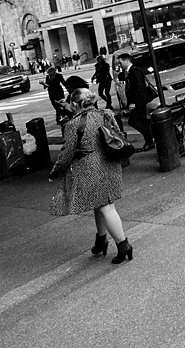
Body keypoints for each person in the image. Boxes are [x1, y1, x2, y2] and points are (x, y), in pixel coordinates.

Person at [49, 88, 133, 264]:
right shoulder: (106, 114)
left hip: (91, 168)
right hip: (110, 163)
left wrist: (55, 171)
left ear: (74, 104)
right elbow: (117, 133)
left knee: (106, 207)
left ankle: (123, 244)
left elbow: (67, 153)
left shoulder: (73, 125)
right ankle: (101, 240)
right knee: (101, 203)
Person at [117, 52, 156, 152]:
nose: (119, 65)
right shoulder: (129, 72)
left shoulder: (135, 71)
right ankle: (149, 140)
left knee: (133, 121)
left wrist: (133, 102)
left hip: (139, 101)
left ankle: (150, 137)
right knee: (142, 120)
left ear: (126, 61)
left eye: (120, 63)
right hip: (138, 100)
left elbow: (139, 87)